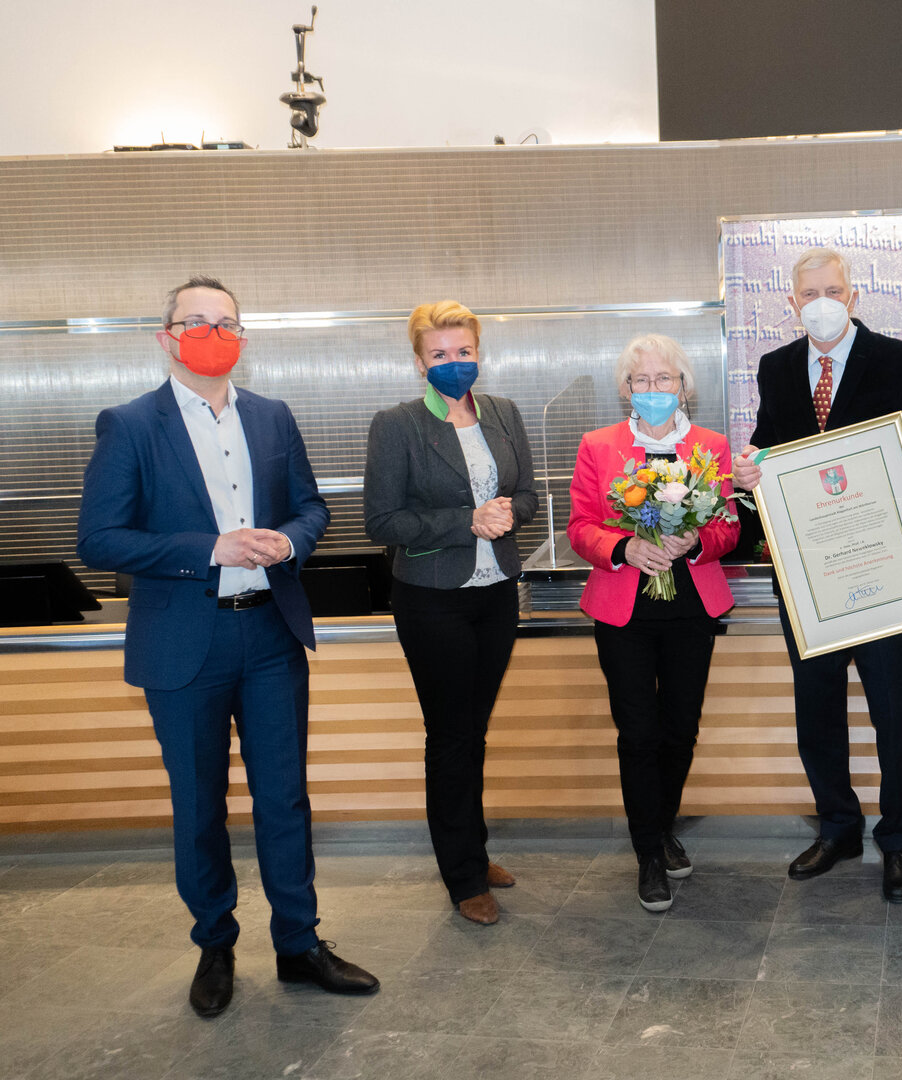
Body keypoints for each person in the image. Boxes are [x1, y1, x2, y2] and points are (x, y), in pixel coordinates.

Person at [77, 276, 378, 1018]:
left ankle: (299, 943)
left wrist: (292, 540)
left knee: (284, 799)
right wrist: (209, 547)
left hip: (270, 634)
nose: (214, 332)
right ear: (166, 336)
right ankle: (215, 943)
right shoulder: (129, 424)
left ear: (243, 336)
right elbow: (98, 539)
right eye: (197, 321)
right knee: (199, 805)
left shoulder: (272, 417)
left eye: (228, 322)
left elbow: (313, 506)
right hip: (185, 644)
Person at [733, 247, 902, 905]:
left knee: (890, 712)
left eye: (832, 290)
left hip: (882, 571)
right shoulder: (776, 368)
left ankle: (897, 841)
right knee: (816, 710)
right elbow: (768, 448)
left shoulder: (898, 361)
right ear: (790, 302)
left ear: (853, 296)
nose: (821, 302)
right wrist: (748, 474)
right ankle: (836, 826)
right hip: (809, 577)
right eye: (808, 293)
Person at [363, 301, 538, 925]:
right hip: (432, 597)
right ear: (419, 363)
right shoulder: (398, 425)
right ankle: (462, 874)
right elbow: (381, 521)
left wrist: (507, 513)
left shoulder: (503, 413)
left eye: (463, 351)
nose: (454, 363)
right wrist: (466, 521)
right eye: (440, 354)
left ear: (478, 353)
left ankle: (473, 847)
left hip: (496, 595)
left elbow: (528, 496)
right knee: (452, 734)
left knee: (475, 728)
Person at [567, 333, 739, 912]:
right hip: (624, 609)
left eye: (665, 379)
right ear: (626, 391)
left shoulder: (711, 447)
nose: (654, 389)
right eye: (641, 381)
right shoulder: (598, 446)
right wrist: (623, 550)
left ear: (684, 386)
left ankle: (662, 825)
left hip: (690, 604)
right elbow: (582, 525)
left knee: (681, 727)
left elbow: (729, 528)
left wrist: (696, 540)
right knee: (638, 733)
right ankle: (647, 852)